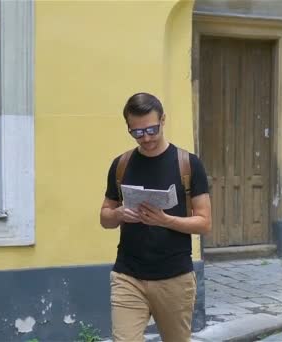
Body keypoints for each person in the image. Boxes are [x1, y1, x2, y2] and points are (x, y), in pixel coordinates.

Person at [100, 92, 212, 342]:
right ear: (128, 128)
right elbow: (105, 218)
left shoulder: (188, 164)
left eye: (151, 130)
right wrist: (118, 214)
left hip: (174, 278)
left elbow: (204, 223)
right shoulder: (121, 164)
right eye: (137, 133)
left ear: (163, 120)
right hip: (128, 275)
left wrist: (166, 220)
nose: (146, 138)